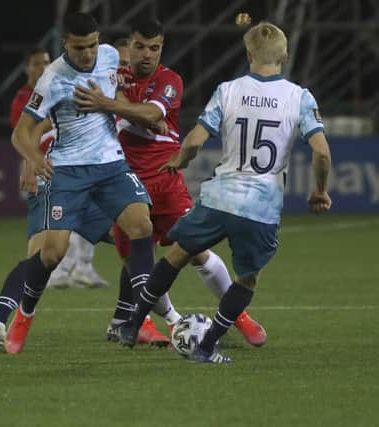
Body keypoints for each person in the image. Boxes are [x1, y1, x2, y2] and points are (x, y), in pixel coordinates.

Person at [118, 21, 332, 363]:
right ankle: (207, 346)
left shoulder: (228, 90)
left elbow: (196, 140)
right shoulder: (299, 97)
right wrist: (320, 191)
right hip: (261, 207)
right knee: (247, 280)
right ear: (285, 55)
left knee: (177, 255)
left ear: (248, 54)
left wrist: (180, 159)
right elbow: (321, 151)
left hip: (220, 198)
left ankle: (131, 324)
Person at [74, 19, 266, 347]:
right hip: (123, 185)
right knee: (137, 262)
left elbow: (150, 114)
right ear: (128, 47)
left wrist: (110, 104)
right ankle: (162, 322)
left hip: (165, 180)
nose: (147, 54)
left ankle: (239, 316)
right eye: (140, 47)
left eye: (155, 48)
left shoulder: (169, 80)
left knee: (195, 251)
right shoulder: (110, 80)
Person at [4, 12, 155, 354]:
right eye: (79, 48)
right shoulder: (52, 79)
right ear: (65, 44)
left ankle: (140, 317)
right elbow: (20, 133)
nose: (87, 54)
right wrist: (35, 157)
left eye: (91, 45)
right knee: (52, 253)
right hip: (68, 170)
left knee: (142, 225)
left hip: (110, 163)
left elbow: (134, 81)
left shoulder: (112, 56)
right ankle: (25, 314)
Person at [0, 119, 113, 346]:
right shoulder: (64, 94)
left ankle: (128, 319)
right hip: (53, 184)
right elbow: (30, 131)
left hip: (90, 187)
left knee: (135, 236)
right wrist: (31, 165)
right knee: (40, 258)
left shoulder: (110, 100)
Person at [10, 48, 109, 290]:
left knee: (92, 212)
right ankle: (58, 269)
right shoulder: (24, 98)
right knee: (62, 221)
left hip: (73, 163)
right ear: (27, 68)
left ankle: (82, 267)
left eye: (46, 61)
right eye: (36, 63)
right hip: (45, 166)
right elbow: (26, 135)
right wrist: (31, 166)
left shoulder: (58, 87)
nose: (43, 66)